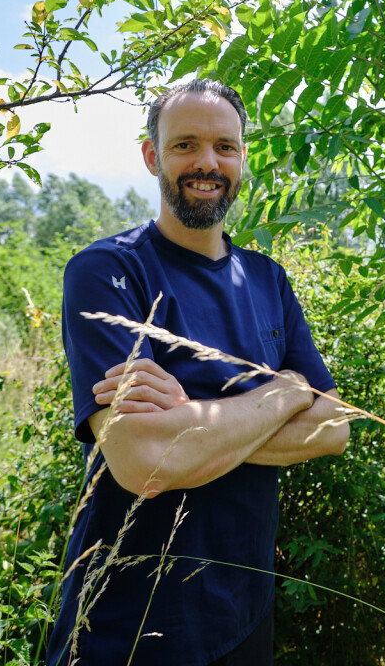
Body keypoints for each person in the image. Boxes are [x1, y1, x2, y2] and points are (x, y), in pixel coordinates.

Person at [45, 79, 349, 666]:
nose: (206, 163)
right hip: (122, 625)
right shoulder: (107, 272)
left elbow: (334, 427)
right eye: (185, 144)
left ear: (241, 158)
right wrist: (287, 390)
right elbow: (146, 462)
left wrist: (192, 422)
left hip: (244, 613)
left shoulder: (268, 281)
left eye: (224, 147)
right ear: (152, 155)